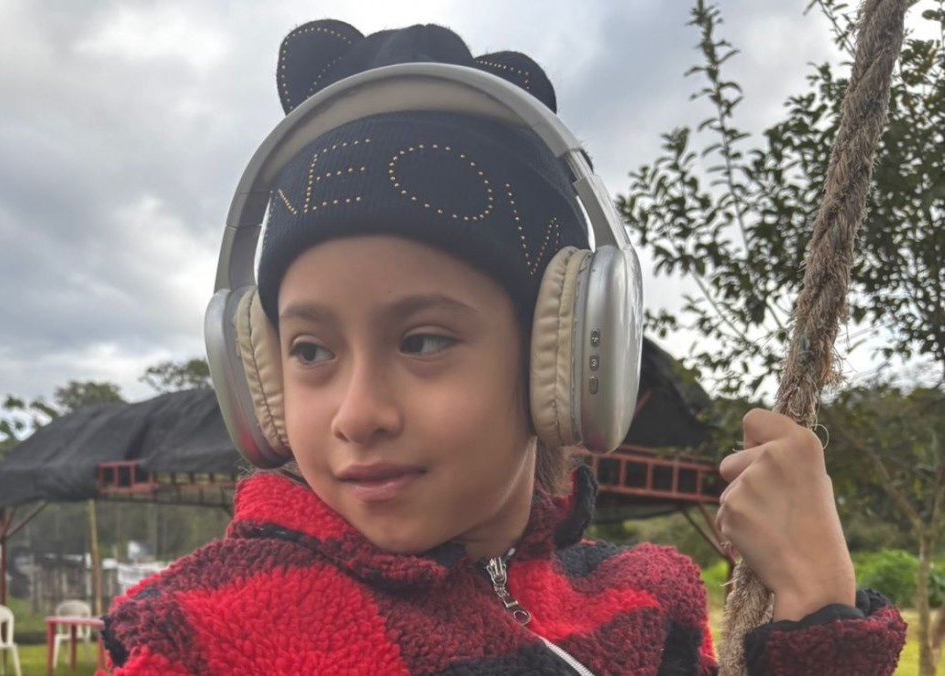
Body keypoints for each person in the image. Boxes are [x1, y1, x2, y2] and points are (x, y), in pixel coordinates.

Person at [101, 20, 906, 675]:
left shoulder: (641, 602)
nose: (357, 414)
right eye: (310, 351)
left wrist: (819, 605)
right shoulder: (202, 634)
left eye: (422, 340)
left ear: (563, 359)